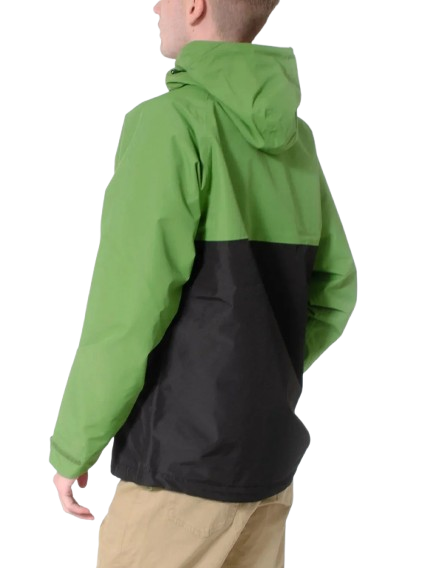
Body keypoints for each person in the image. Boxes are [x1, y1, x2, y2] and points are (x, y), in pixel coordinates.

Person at [49, 0, 358, 566]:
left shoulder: (167, 125)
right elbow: (336, 289)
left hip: (178, 472)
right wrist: (257, 372)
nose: (153, 5)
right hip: (267, 468)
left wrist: (74, 444)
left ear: (195, 7)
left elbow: (128, 310)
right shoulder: (296, 138)